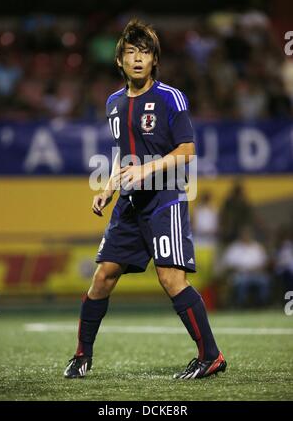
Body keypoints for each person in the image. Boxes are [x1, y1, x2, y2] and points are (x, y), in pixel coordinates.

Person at [64, 19, 226, 380]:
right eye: (131, 52)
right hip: (129, 203)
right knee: (103, 277)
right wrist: (109, 188)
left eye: (146, 52)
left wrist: (147, 169)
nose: (138, 59)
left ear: (155, 60)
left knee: (171, 279)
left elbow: (186, 151)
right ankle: (81, 355)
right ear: (119, 61)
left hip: (164, 199)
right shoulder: (113, 103)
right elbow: (126, 157)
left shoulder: (170, 97)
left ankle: (211, 356)